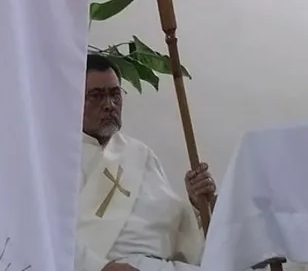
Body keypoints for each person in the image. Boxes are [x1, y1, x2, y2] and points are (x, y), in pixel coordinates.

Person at [79, 54, 216, 271]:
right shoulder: (59, 160)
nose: (109, 105)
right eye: (97, 96)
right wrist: (100, 268)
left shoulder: (139, 153)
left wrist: (198, 206)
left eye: (115, 94)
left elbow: (179, 232)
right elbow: (49, 236)